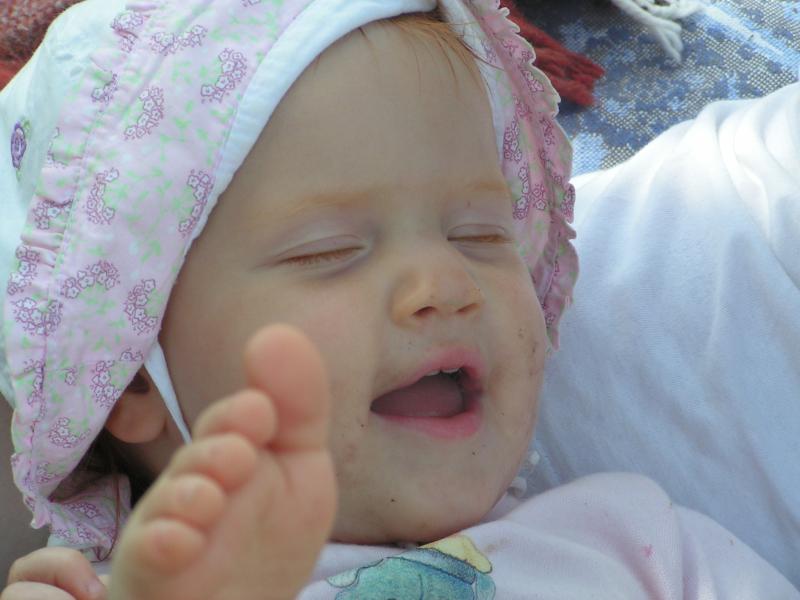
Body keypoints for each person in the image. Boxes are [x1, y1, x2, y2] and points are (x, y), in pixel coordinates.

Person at [0, 0, 797, 599]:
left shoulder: (636, 542)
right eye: (329, 251)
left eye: (480, 235)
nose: (444, 285)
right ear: (128, 379)